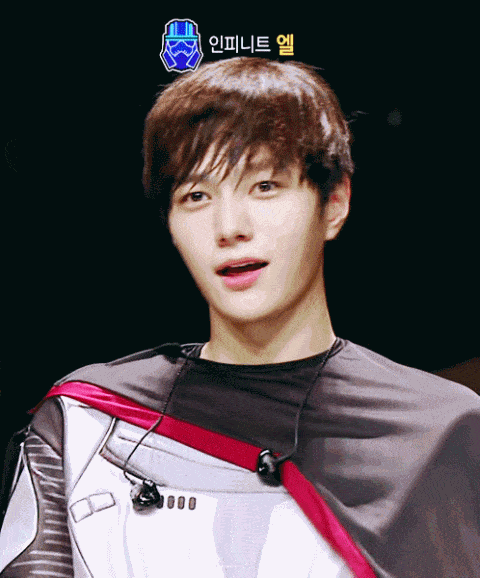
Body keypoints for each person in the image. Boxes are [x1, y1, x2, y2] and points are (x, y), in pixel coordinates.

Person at [0, 57, 479, 578]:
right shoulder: (84, 423)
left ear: (334, 203)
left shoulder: (443, 432)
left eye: (264, 186)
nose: (230, 227)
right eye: (197, 196)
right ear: (170, 224)